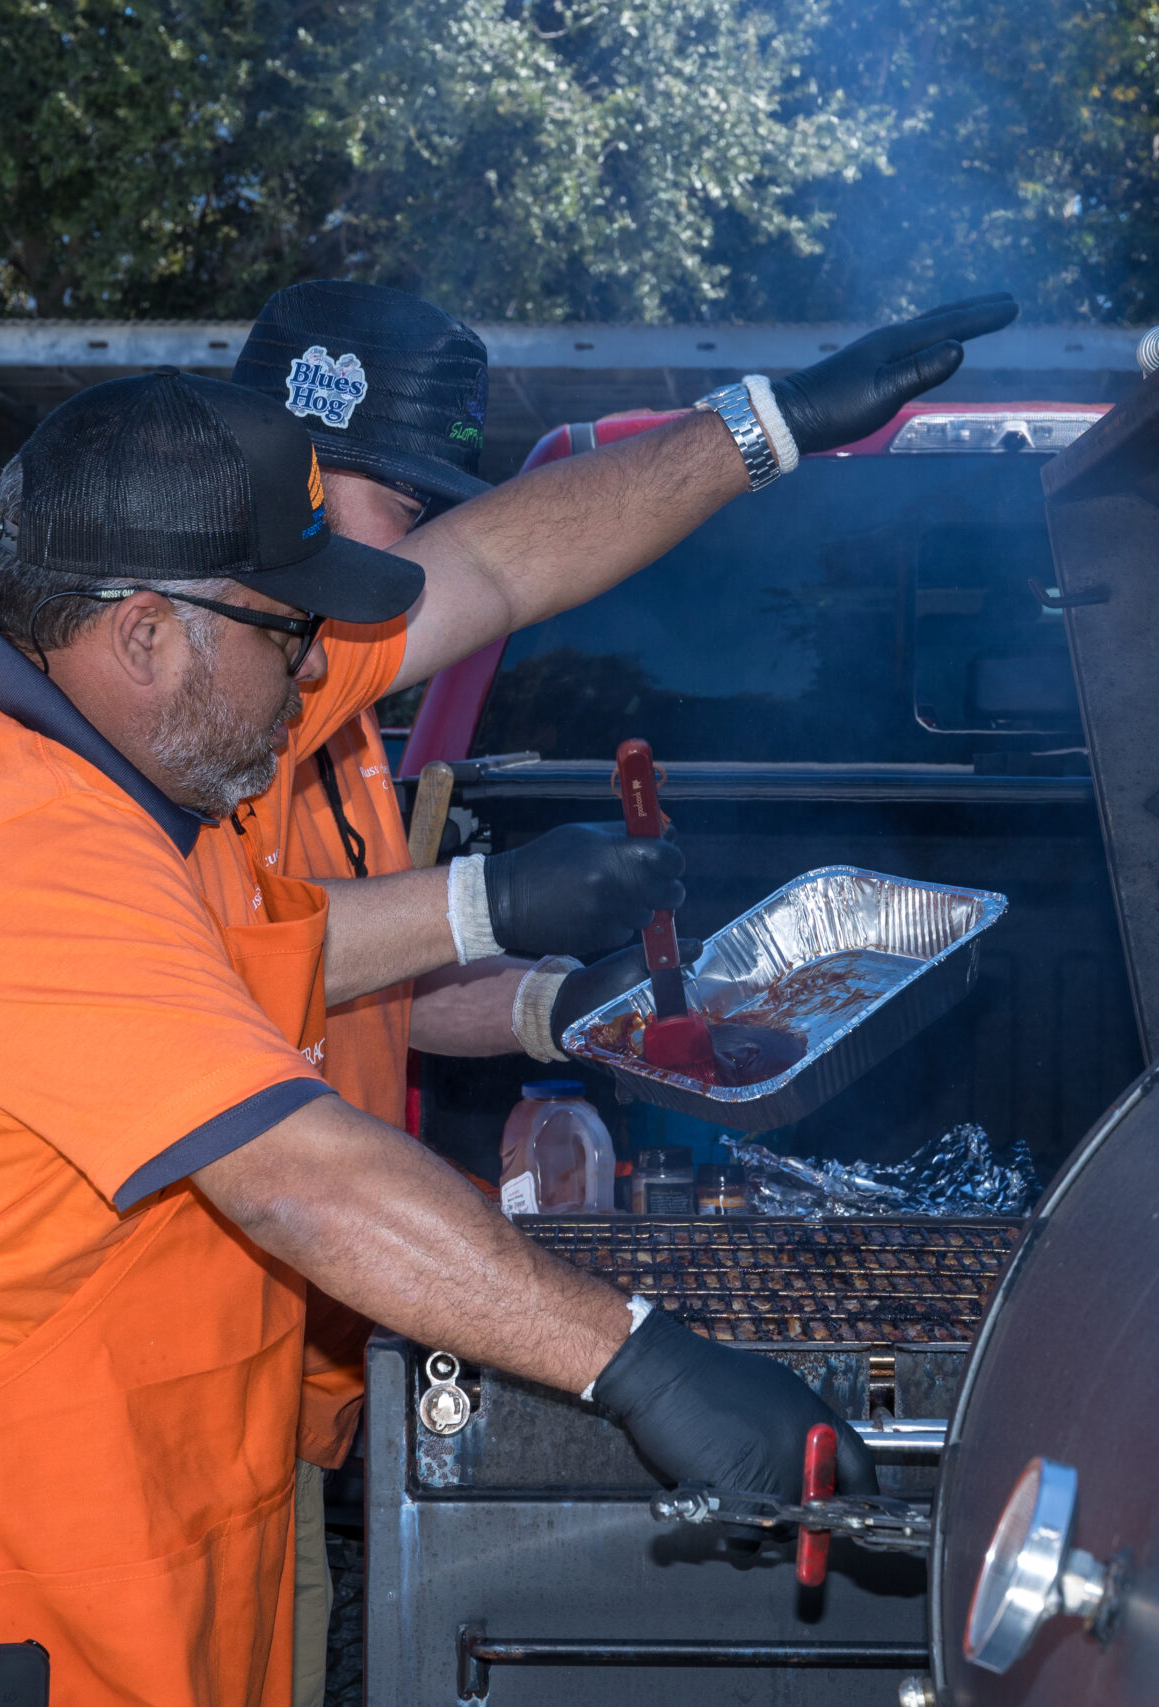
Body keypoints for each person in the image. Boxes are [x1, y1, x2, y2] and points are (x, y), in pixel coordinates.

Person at [0, 294, 1016, 1707]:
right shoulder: (15, 854)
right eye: (291, 633)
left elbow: (480, 566)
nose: (323, 670)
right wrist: (645, 1365)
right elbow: (306, 1181)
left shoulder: (106, 689)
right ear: (144, 636)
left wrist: (763, 428)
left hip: (95, 1538)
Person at [228, 280, 689, 1707]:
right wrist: (633, 1361)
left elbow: (361, 984)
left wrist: (564, 1007)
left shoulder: (337, 717)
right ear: (284, 477)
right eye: (398, 501)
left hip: (277, 1395)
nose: (428, 546)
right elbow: (232, 979)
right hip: (133, 1434)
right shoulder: (177, 728)